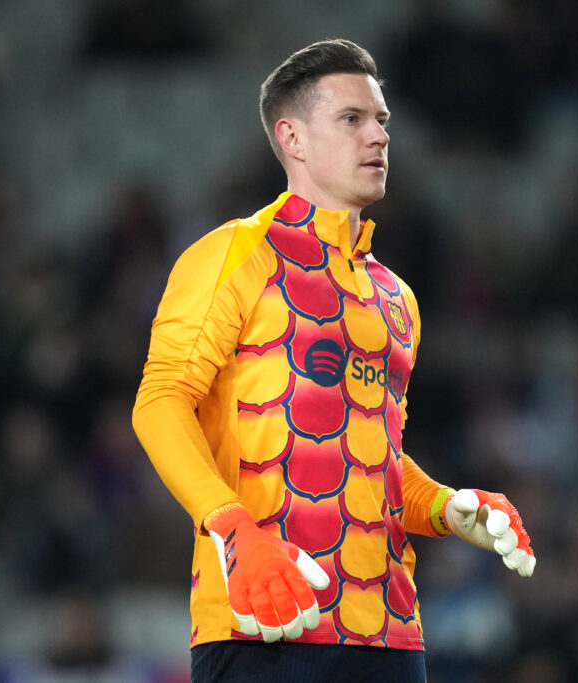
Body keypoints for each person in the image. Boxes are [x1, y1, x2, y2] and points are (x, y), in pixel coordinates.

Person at [132, 38, 535, 683]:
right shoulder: (231, 255)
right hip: (263, 621)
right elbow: (159, 403)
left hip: (392, 637)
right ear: (291, 137)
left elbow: (368, 452)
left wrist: (442, 506)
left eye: (381, 121)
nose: (377, 136)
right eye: (352, 119)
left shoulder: (397, 298)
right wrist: (233, 533)